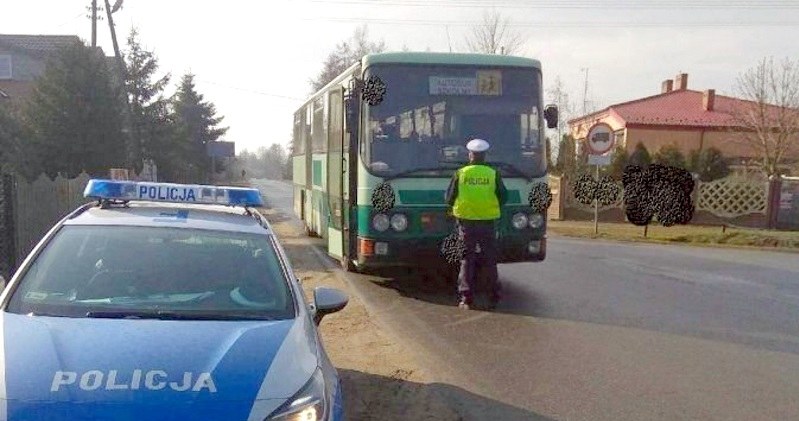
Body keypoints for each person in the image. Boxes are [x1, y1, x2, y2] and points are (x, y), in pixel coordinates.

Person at [445, 138, 507, 310]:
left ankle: (466, 298)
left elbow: (449, 197)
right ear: (484, 156)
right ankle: (494, 295)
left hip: (466, 224)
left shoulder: (461, 173)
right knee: (489, 260)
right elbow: (503, 196)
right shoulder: (493, 174)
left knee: (467, 260)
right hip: (488, 223)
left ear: (470, 155)